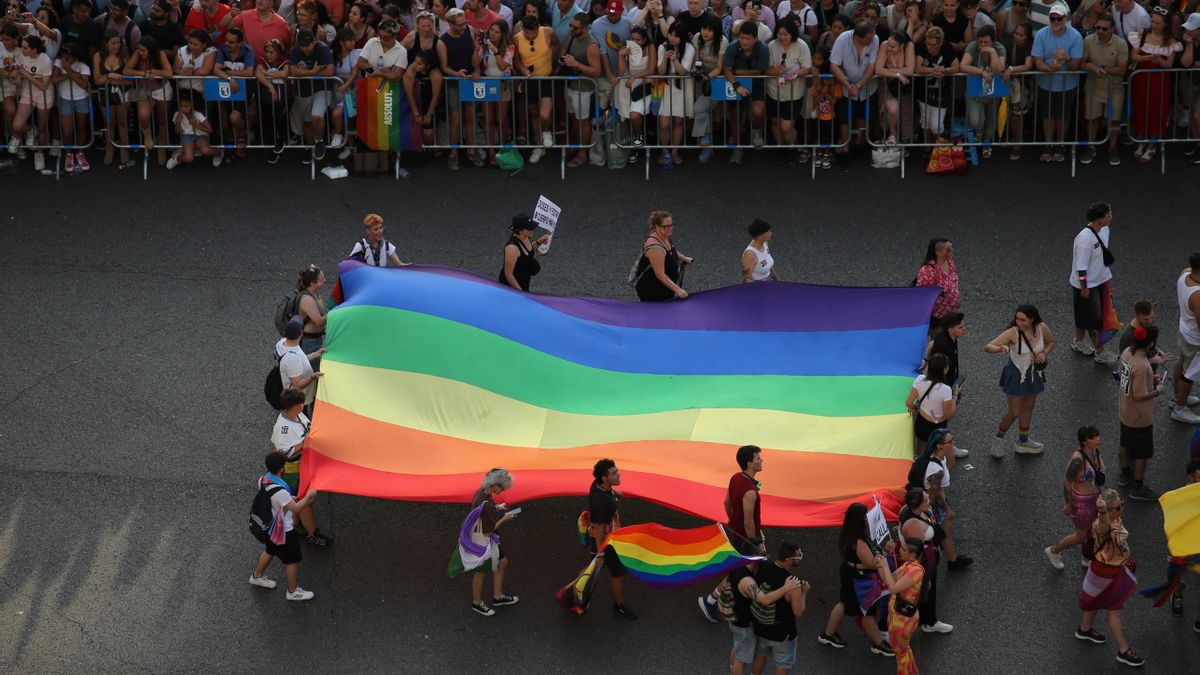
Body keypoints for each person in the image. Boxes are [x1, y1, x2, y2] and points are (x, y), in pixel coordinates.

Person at [1076, 489, 1144, 667]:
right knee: (1115, 612)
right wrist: (1103, 513)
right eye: (1119, 506)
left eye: (1121, 504)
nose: (1122, 508)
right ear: (1109, 511)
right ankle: (1123, 651)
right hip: (1106, 572)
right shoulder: (1103, 524)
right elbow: (1103, 527)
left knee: (1095, 600)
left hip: (1100, 571)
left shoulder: (1115, 518)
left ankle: (1084, 629)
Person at [700, 444, 766, 623]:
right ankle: (712, 601)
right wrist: (755, 544)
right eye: (758, 458)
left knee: (741, 569)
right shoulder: (750, 491)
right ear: (749, 463)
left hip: (737, 534)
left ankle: (726, 600)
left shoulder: (736, 478)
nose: (761, 460)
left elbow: (726, 503)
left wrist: (732, 521)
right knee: (742, 570)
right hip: (747, 538)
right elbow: (748, 520)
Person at [817, 502, 893, 655]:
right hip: (860, 579)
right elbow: (872, 564)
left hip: (849, 573)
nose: (868, 518)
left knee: (845, 603)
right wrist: (885, 551)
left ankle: (828, 634)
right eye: (865, 515)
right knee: (866, 611)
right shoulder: (859, 541)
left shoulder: (848, 533)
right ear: (859, 519)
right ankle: (878, 644)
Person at [984, 304, 1056, 458]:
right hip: (1016, 374)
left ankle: (1023, 441)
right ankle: (998, 439)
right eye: (1017, 319)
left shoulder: (1042, 328)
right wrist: (999, 349)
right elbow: (988, 346)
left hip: (1033, 373)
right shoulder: (1012, 333)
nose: (1019, 322)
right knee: (1014, 411)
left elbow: (1051, 342)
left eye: (1023, 320)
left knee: (1028, 406)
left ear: (1032, 319)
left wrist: (1044, 353)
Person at [248, 451, 321, 601]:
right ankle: (292, 591)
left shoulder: (264, 479)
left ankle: (257, 576)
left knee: (270, 550)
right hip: (283, 530)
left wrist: (289, 499)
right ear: (282, 469)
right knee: (292, 560)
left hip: (270, 528)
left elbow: (278, 501)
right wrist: (308, 497)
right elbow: (295, 508)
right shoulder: (280, 491)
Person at [269, 388, 333, 547]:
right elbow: (283, 453)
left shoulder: (295, 415)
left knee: (296, 497)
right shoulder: (283, 428)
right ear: (295, 406)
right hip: (293, 469)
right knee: (304, 501)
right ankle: (313, 534)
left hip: (301, 465)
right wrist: (304, 444)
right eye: (301, 403)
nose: (304, 405)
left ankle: (297, 525)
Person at [453, 468, 519, 616]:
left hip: (482, 537)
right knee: (481, 572)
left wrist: (498, 507)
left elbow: (484, 511)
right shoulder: (487, 504)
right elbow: (488, 531)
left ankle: (498, 596)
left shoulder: (481, 492)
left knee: (502, 563)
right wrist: (504, 518)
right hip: (484, 540)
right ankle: (477, 603)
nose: (503, 490)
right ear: (495, 485)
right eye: (502, 487)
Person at [727, 555, 804, 675]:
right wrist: (789, 588)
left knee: (751, 653)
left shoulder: (740, 567)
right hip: (779, 633)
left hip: (752, 626)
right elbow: (765, 600)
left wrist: (712, 598)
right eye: (761, 551)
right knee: (742, 659)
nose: (764, 555)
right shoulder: (748, 579)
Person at [909, 428, 972, 575]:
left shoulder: (938, 457)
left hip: (936, 502)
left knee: (945, 531)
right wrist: (947, 510)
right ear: (939, 445)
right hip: (934, 507)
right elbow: (934, 496)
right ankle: (923, 569)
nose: (953, 443)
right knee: (936, 536)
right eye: (950, 442)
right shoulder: (934, 469)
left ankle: (952, 560)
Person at [1045, 425, 1104, 570]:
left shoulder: (1095, 452)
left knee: (1094, 530)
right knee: (1081, 535)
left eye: (1097, 435)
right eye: (1092, 437)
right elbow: (1067, 480)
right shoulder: (1078, 460)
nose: (1097, 439)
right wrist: (1069, 504)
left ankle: (1086, 557)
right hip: (1082, 502)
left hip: (1094, 497)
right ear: (1084, 441)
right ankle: (1053, 551)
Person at [1127, 5, 1180, 164]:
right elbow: (1134, 56)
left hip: (1159, 81)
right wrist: (1148, 58)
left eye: (1157, 23)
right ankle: (1142, 139)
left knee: (1156, 109)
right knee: (1141, 107)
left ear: (1165, 24)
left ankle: (1152, 144)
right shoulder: (1142, 35)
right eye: (1152, 21)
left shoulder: (1170, 41)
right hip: (1141, 79)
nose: (1153, 25)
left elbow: (1169, 65)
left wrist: (1160, 61)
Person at [1118, 324, 1165, 502]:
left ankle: (1125, 474)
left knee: (1124, 442)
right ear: (1150, 343)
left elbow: (1128, 378)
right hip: (1138, 417)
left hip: (1124, 409)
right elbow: (1139, 396)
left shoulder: (1127, 354)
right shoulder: (1143, 365)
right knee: (1142, 454)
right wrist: (1157, 390)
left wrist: (1149, 379)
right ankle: (1138, 486)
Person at [1031, 2, 1082, 162]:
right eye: (1052, 19)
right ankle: (1048, 144)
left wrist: (1066, 57)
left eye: (1058, 19)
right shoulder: (1041, 34)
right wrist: (1050, 69)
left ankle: (1059, 144)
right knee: (1047, 116)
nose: (1055, 22)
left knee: (1063, 117)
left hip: (1068, 85)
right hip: (1045, 83)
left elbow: (1075, 66)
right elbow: (1037, 62)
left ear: (1065, 19)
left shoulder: (1075, 36)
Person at [587, 458, 638, 619]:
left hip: (606, 538)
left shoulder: (597, 486)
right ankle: (620, 605)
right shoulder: (603, 502)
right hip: (606, 542)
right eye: (614, 473)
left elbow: (605, 493)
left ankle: (580, 591)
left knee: (594, 568)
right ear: (605, 478)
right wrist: (601, 553)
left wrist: (614, 493)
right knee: (618, 572)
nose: (619, 474)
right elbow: (598, 529)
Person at [1068, 202, 1118, 365]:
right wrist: (1084, 287)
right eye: (1109, 215)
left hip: (1101, 280)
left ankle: (1078, 342)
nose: (1111, 217)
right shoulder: (1084, 239)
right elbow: (1080, 267)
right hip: (1087, 285)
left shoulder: (1104, 230)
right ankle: (1100, 352)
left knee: (1084, 316)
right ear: (1101, 219)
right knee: (1095, 321)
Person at [751, 543, 811, 675]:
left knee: (760, 657)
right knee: (782, 664)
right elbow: (798, 612)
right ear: (789, 560)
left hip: (761, 626)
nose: (800, 557)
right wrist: (805, 592)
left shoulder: (763, 566)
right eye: (798, 555)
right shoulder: (793, 583)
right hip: (783, 634)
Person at [898, 487, 952, 635]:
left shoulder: (910, 510)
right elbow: (917, 553)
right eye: (926, 498)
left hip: (928, 555)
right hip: (923, 560)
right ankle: (926, 622)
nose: (929, 497)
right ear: (918, 505)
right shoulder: (914, 525)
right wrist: (925, 575)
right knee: (923, 592)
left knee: (927, 591)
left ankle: (928, 619)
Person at [1080, 13, 1128, 166]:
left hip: (1114, 88)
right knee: (1092, 118)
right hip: (1093, 86)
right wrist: (1091, 66)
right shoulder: (1088, 40)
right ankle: (1091, 146)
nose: (1100, 31)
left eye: (1104, 29)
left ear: (1112, 29)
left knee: (1114, 119)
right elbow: (1081, 63)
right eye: (1097, 27)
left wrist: (1102, 68)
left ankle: (1113, 148)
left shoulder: (1121, 44)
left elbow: (1122, 70)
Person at [876, 536, 928, 674]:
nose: (899, 550)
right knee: (904, 650)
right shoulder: (908, 565)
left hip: (903, 620)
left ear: (913, 555)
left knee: (901, 654)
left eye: (903, 549)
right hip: (898, 616)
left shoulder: (916, 571)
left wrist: (885, 565)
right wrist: (883, 558)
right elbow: (888, 579)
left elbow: (892, 588)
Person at [440, 9, 485, 169]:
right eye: (461, 24)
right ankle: (453, 153)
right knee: (456, 119)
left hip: (469, 81)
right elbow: (444, 66)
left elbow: (477, 53)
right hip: (453, 82)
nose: (464, 25)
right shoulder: (443, 41)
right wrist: (456, 73)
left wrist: (477, 70)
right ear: (451, 24)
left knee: (471, 116)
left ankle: (472, 151)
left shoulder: (470, 31)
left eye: (465, 22)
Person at [722, 20, 770, 165]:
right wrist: (736, 84)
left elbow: (758, 71)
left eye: (747, 38)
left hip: (756, 83)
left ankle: (757, 130)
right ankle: (737, 148)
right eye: (741, 37)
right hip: (736, 84)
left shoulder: (763, 49)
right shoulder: (732, 47)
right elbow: (726, 70)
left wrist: (735, 71)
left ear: (755, 38)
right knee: (735, 116)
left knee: (758, 112)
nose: (743, 41)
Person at [829, 21, 878, 164]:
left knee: (863, 115)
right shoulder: (843, 39)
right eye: (868, 39)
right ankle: (845, 148)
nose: (872, 40)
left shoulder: (875, 39)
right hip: (846, 85)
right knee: (845, 118)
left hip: (867, 86)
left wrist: (859, 84)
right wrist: (847, 84)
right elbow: (834, 65)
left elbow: (872, 66)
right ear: (857, 37)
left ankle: (859, 144)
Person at [559, 13, 601, 170]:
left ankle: (583, 153)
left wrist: (576, 64)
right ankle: (578, 144)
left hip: (583, 89)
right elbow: (564, 54)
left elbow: (596, 71)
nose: (571, 29)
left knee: (583, 120)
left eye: (575, 27)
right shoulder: (571, 37)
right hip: (569, 85)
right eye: (571, 25)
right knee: (574, 117)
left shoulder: (591, 46)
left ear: (584, 28)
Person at [960, 24, 1005, 153]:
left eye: (987, 42)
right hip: (974, 87)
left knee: (991, 117)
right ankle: (978, 133)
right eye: (980, 42)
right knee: (976, 120)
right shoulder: (973, 47)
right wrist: (982, 72)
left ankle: (987, 143)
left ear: (993, 42)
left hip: (993, 87)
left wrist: (991, 52)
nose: (983, 45)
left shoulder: (999, 48)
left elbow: (999, 69)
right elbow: (963, 66)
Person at [913, 26, 959, 146]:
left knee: (936, 125)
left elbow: (956, 66)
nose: (930, 47)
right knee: (925, 122)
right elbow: (917, 67)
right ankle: (927, 147)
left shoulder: (947, 47)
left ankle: (938, 146)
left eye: (934, 44)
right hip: (924, 90)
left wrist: (945, 70)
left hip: (942, 92)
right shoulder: (922, 47)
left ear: (940, 43)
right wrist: (931, 71)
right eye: (928, 43)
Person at [633, 210, 693, 302]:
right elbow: (660, 275)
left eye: (671, 225)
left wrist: (684, 258)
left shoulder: (664, 234)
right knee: (658, 313)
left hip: (665, 285)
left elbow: (670, 250)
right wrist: (678, 290)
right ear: (656, 226)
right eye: (666, 226)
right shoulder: (655, 248)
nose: (669, 228)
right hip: (653, 289)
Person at [1169, 458, 1200, 630]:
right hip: (1186, 551)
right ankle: (1178, 595)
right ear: (1190, 478)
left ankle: (1198, 621)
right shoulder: (1181, 498)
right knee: (1182, 579)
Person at [51, 41, 90, 173]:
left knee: (81, 127)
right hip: (65, 99)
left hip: (81, 99)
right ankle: (69, 154)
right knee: (67, 131)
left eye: (68, 57)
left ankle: (80, 153)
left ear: (75, 57)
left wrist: (68, 71)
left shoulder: (84, 66)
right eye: (64, 56)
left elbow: (83, 85)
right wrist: (70, 74)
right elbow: (53, 80)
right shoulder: (58, 63)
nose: (65, 59)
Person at [907, 353, 958, 449]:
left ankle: (919, 459)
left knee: (921, 450)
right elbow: (948, 414)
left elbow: (908, 403)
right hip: (938, 427)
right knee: (938, 450)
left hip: (921, 423)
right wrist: (955, 396)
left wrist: (914, 408)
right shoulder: (946, 390)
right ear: (944, 370)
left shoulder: (919, 380)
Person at [1172, 252, 1200, 424]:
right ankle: (1179, 408)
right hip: (1195, 339)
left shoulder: (1184, 274)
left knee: (1181, 363)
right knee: (1189, 374)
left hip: (1184, 331)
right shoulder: (1198, 295)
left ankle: (1177, 397)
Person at [276, 316, 324, 416]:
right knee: (301, 416)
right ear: (301, 334)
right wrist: (312, 377)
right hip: (299, 399)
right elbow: (297, 385)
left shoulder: (282, 343)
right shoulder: (293, 359)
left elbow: (300, 359)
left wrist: (314, 355)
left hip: (294, 393)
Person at [914, 238, 959, 335]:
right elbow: (921, 294)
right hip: (936, 318)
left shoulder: (950, 262)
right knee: (940, 345)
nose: (952, 249)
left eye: (951, 246)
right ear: (938, 253)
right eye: (948, 248)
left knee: (949, 343)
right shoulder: (928, 270)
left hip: (950, 313)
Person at [165, 95, 223, 169]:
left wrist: (196, 125)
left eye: (186, 106)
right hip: (186, 136)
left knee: (206, 151)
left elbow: (210, 130)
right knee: (189, 159)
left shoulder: (198, 114)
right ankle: (177, 158)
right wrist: (178, 122)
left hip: (201, 136)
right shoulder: (177, 115)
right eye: (181, 106)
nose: (183, 108)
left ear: (192, 105)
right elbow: (177, 132)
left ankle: (219, 153)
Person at [498, 213, 550, 291]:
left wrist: (539, 242)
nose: (532, 229)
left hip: (523, 281)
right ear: (520, 231)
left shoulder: (525, 237)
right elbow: (508, 274)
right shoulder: (512, 248)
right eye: (529, 228)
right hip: (512, 287)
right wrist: (521, 292)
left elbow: (526, 250)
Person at [927, 312, 966, 410]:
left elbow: (931, 343)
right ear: (950, 330)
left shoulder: (944, 335)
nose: (964, 329)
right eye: (960, 327)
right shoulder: (944, 348)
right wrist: (953, 395)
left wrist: (926, 359)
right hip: (943, 380)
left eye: (963, 325)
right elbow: (937, 370)